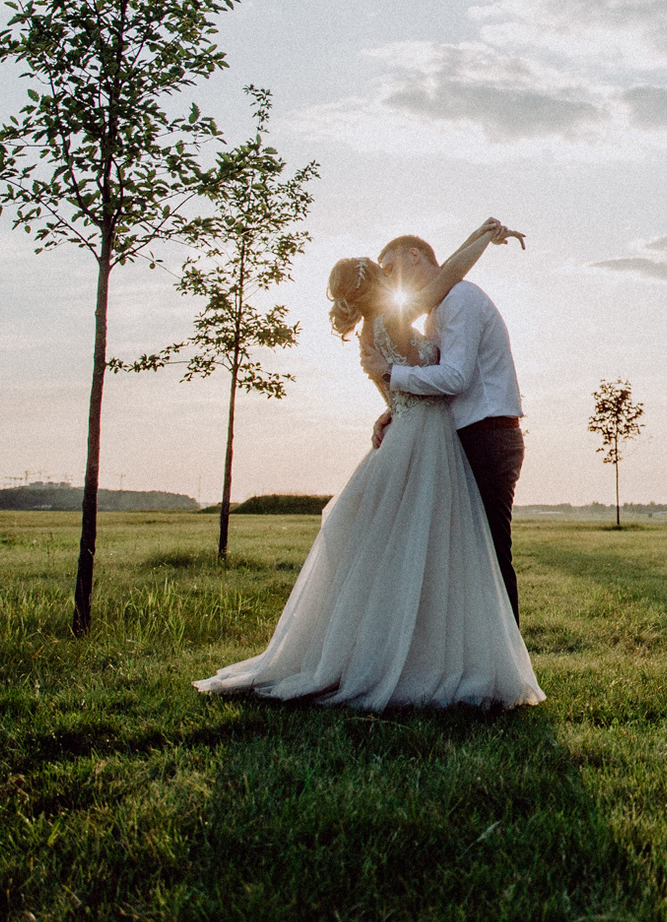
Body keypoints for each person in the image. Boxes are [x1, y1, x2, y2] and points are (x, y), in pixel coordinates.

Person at [193, 219, 539, 711]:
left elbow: (408, 379)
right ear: (376, 283)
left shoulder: (376, 332)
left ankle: (448, 656)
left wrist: (392, 401)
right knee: (446, 552)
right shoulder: (404, 314)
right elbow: (446, 297)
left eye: (394, 264)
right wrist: (483, 238)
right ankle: (456, 663)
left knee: (431, 551)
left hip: (435, 434)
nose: (392, 274)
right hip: (430, 440)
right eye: (383, 271)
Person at [374, 230, 527, 623]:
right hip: (467, 435)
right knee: (465, 556)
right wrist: (396, 409)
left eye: (391, 268)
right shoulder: (438, 310)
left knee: (490, 552)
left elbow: (456, 377)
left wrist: (394, 375)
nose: (388, 279)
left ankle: (508, 669)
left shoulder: (460, 299)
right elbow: (443, 380)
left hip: (488, 437)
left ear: (415, 256)